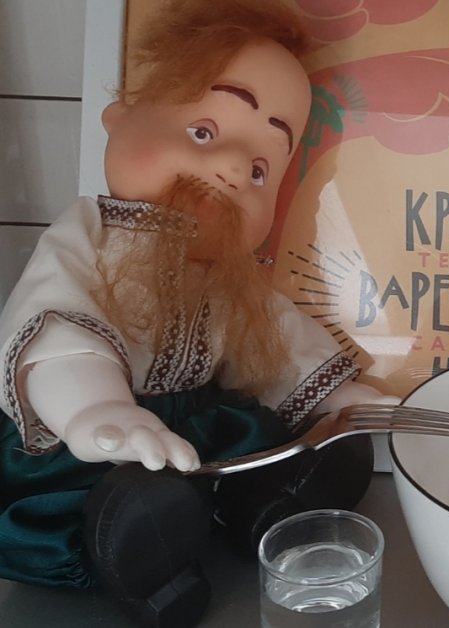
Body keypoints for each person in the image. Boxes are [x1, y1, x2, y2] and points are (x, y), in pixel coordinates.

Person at [0, 1, 393, 626]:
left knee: (271, 445)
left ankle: (265, 511)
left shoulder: (228, 277)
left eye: (261, 168)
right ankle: (147, 568)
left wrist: (337, 400)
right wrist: (96, 408)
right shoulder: (86, 239)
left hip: (195, 436)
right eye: (204, 132)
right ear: (120, 118)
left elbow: (274, 339)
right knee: (133, 499)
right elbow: (58, 320)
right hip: (94, 444)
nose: (235, 168)